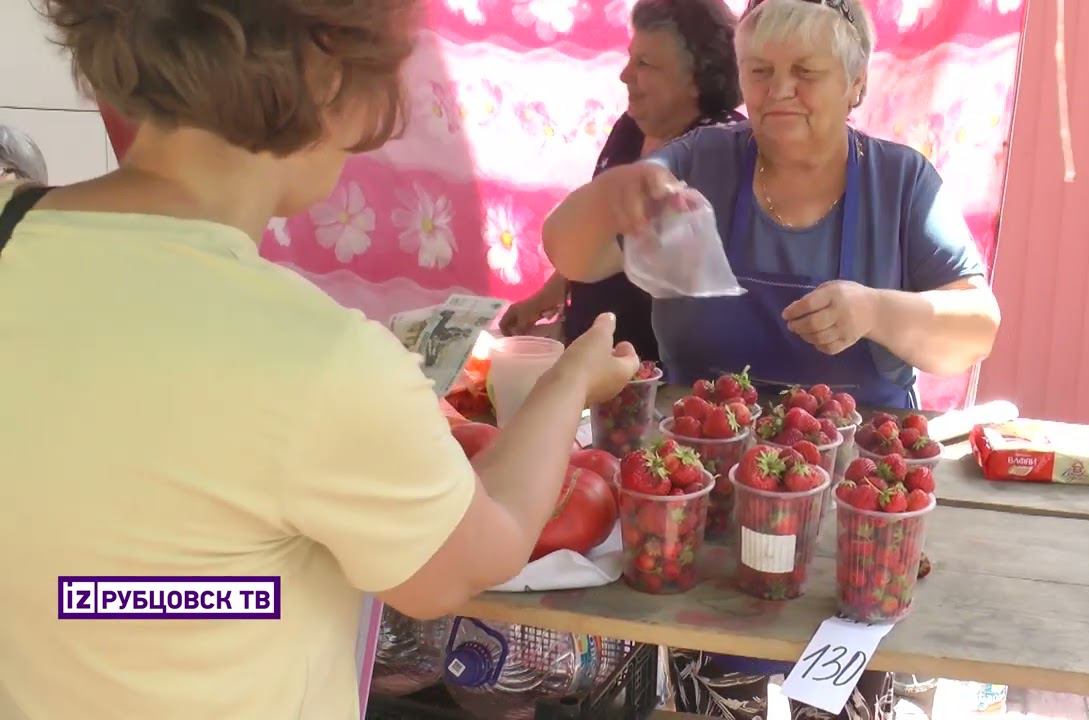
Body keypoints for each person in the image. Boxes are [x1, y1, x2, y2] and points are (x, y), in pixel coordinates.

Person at [0, 2, 637, 718]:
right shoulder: (316, 358)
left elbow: (110, 589)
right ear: (330, 70)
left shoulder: (11, 234)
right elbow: (470, 560)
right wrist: (569, 381)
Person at [542, 0, 1002, 717]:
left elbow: (977, 326)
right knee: (717, 693)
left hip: (862, 518)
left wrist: (877, 311)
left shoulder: (902, 184)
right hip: (705, 509)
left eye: (805, 72)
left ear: (856, 84)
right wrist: (611, 196)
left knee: (856, 701)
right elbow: (572, 253)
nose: (779, 90)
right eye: (761, 71)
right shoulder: (699, 163)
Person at [499, 0, 744, 363]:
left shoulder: (717, 147)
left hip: (659, 376)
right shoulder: (633, 127)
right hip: (597, 359)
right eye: (631, 57)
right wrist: (547, 297)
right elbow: (596, 238)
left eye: (644, 64)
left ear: (697, 78)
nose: (625, 75)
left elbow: (613, 249)